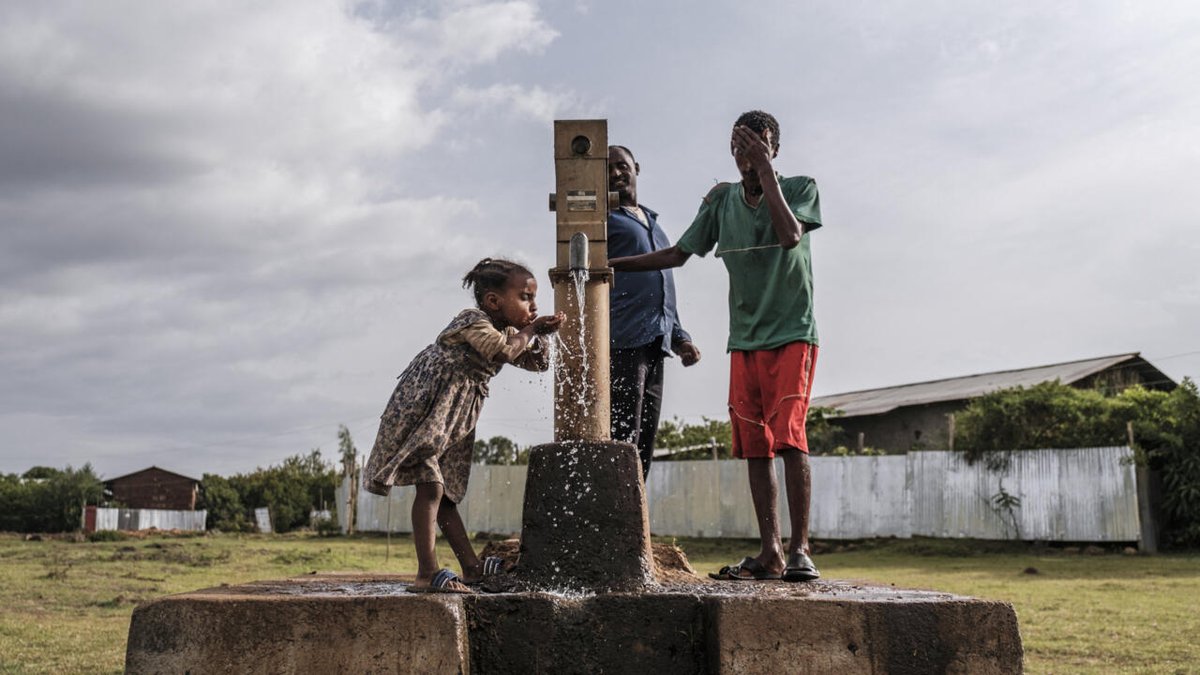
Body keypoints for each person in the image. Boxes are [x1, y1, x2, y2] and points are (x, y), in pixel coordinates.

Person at [609, 111, 822, 582]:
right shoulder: (722, 201)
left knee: (790, 436)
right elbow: (677, 255)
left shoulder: (800, 188)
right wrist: (610, 266)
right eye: (740, 146)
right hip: (743, 337)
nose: (747, 154)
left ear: (774, 150)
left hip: (791, 332)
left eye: (758, 145)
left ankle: (801, 549)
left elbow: (789, 235)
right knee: (754, 445)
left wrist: (765, 172)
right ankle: (771, 551)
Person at [362, 258, 564, 593]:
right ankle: (426, 573)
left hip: (455, 417)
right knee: (431, 486)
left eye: (534, 298)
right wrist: (531, 331)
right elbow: (502, 352)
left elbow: (537, 364)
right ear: (493, 301)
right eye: (525, 297)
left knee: (446, 495)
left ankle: (471, 568)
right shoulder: (472, 320)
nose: (533, 305)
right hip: (425, 409)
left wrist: (543, 336)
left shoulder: (509, 332)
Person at [607, 144, 701, 481]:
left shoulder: (654, 223)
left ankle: (636, 506)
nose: (616, 173)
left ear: (636, 167)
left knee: (645, 438)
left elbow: (662, 285)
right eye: (607, 169)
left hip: (656, 342)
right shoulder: (603, 219)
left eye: (621, 165)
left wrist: (680, 337)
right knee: (622, 434)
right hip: (622, 339)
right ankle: (615, 505)